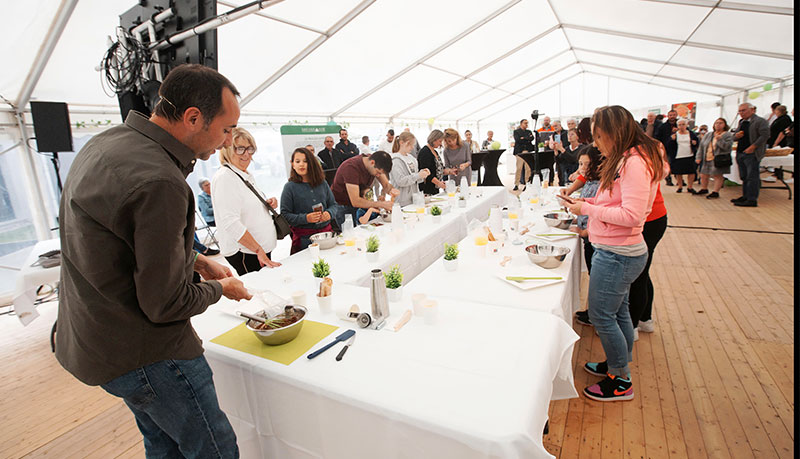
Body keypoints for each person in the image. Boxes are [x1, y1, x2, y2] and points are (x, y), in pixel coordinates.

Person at [56, 64, 249, 457]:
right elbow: (164, 303)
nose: (228, 140)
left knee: (163, 445)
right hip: (147, 352)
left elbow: (117, 238)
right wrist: (220, 288)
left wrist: (194, 258)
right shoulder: (160, 179)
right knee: (213, 448)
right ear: (194, 118)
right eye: (227, 129)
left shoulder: (107, 143)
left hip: (98, 341)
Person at [561, 105, 668, 402]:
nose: (596, 143)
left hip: (618, 252)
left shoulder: (633, 163)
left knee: (602, 315)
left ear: (614, 132)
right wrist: (587, 199)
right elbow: (617, 200)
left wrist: (587, 208)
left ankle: (621, 381)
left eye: (598, 135)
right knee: (618, 311)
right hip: (618, 249)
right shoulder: (628, 158)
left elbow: (633, 215)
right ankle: (616, 365)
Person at [212, 127, 282, 275]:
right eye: (240, 149)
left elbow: (246, 205)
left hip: (258, 250)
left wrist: (267, 203)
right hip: (247, 252)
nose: (246, 154)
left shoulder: (242, 174)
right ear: (228, 149)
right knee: (260, 293)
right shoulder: (226, 177)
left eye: (250, 149)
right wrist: (257, 249)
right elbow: (231, 222)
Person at [280, 147, 341, 254]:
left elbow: (334, 205)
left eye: (305, 161)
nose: (301, 164)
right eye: (297, 161)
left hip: (327, 236)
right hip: (304, 241)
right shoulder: (289, 187)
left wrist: (329, 213)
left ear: (311, 163)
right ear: (292, 164)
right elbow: (285, 215)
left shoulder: (322, 183)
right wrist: (306, 218)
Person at [331, 151, 399, 223]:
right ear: (372, 163)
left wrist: (391, 190)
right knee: (351, 231)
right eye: (378, 172)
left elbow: (386, 185)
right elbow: (355, 201)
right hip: (343, 205)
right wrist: (382, 204)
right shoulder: (351, 168)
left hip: (360, 202)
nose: (378, 176)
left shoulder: (374, 162)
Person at [731, 102, 769, 207]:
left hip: (752, 153)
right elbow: (735, 136)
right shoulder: (742, 122)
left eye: (743, 110)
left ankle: (752, 199)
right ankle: (745, 196)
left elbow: (765, 136)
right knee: (744, 176)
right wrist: (736, 136)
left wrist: (753, 146)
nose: (741, 113)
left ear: (752, 110)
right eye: (739, 111)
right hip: (741, 151)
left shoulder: (760, 121)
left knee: (752, 176)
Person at [695, 117, 733, 199]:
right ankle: (704, 188)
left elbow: (727, 147)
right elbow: (701, 146)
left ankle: (716, 191)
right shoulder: (709, 134)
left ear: (724, 125)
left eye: (720, 123)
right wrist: (698, 157)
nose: (718, 125)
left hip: (718, 158)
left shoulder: (727, 135)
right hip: (707, 157)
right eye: (716, 123)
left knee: (717, 175)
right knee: (703, 174)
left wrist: (719, 140)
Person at [389, 131, 429, 206]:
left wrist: (423, 174)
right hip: (402, 201)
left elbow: (415, 178)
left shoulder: (412, 158)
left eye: (413, 145)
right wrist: (418, 175)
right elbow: (400, 181)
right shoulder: (396, 160)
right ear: (401, 143)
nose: (412, 147)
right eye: (409, 144)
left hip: (414, 199)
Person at [417, 129, 456, 195]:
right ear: (434, 139)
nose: (440, 144)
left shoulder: (435, 151)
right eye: (439, 141)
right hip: (427, 189)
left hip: (435, 188)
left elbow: (439, 169)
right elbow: (426, 173)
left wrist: (450, 171)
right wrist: (438, 183)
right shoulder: (425, 152)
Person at [666, 118, 699, 193]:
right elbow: (668, 146)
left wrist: (695, 143)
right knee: (678, 172)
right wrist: (671, 140)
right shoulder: (674, 135)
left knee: (691, 171)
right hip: (678, 156)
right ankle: (680, 186)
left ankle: (690, 187)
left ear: (687, 125)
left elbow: (697, 142)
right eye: (679, 125)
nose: (681, 126)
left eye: (683, 124)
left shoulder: (691, 134)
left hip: (689, 155)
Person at [656, 109, 679, 186]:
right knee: (667, 164)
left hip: (678, 149)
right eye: (670, 115)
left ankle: (679, 180)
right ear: (668, 116)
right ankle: (668, 179)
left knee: (676, 164)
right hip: (666, 148)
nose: (672, 117)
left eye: (674, 115)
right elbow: (658, 137)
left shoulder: (680, 125)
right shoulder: (662, 126)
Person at [513, 119, 534, 191]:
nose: (526, 124)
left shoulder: (529, 131)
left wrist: (524, 138)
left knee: (528, 169)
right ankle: (516, 184)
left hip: (528, 151)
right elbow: (518, 140)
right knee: (519, 168)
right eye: (525, 123)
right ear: (521, 123)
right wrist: (527, 138)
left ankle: (527, 184)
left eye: (527, 123)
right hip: (520, 152)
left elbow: (532, 138)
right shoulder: (516, 131)